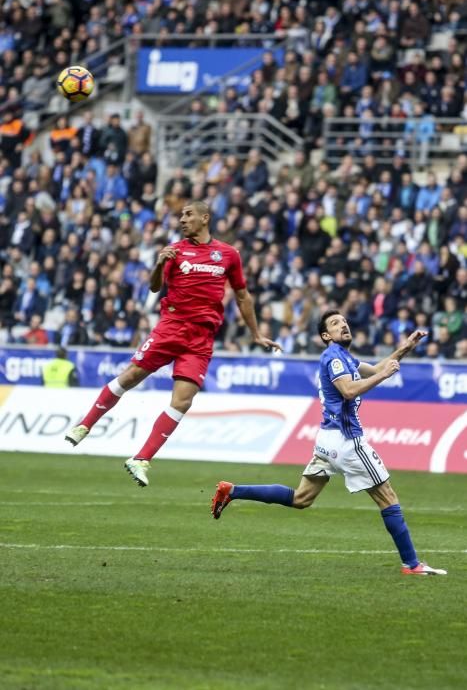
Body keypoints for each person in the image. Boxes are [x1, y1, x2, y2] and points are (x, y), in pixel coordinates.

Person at [211, 309, 447, 577]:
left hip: (327, 439)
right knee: (387, 496)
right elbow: (349, 390)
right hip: (347, 440)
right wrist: (383, 376)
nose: (343, 325)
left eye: (344, 321)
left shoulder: (345, 357)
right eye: (335, 324)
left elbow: (379, 367)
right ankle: (412, 564)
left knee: (301, 498)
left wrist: (404, 348)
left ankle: (232, 491)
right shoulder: (334, 358)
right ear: (326, 335)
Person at [65, 201, 280, 485]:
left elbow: (242, 295)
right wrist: (159, 264)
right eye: (180, 215)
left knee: (183, 400)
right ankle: (85, 424)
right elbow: (155, 287)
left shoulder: (228, 254)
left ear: (205, 218)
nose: (182, 219)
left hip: (201, 338)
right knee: (131, 376)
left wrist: (255, 333)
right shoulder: (175, 251)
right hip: (171, 327)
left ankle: (141, 459)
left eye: (188, 214)